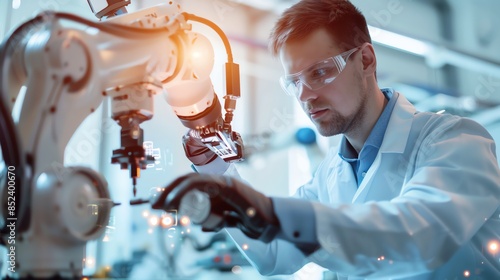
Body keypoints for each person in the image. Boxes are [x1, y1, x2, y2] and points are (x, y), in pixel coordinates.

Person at [153, 0, 500, 279]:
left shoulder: (455, 140)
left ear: (365, 59)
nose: (306, 97)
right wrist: (217, 172)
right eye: (294, 83)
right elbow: (274, 256)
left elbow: (421, 235)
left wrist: (270, 211)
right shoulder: (329, 174)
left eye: (320, 72)